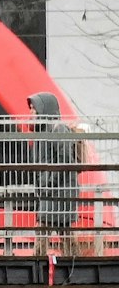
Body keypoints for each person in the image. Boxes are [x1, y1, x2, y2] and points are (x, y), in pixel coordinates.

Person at [28, 91, 81, 248]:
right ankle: (73, 259)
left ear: (44, 109)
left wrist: (50, 182)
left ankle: (40, 259)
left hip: (58, 190)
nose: (31, 113)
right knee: (63, 230)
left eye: (34, 109)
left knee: (45, 228)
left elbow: (65, 159)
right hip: (53, 190)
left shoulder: (57, 129)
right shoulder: (42, 132)